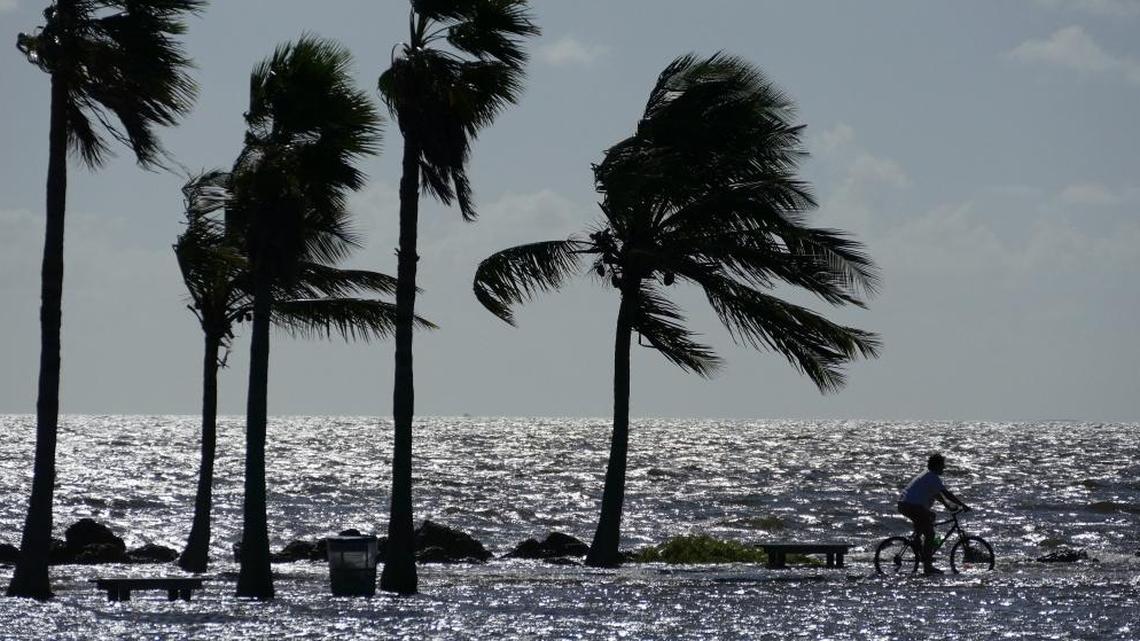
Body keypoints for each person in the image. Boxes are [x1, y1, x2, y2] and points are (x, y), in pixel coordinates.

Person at [897, 453, 970, 574]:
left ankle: (918, 545)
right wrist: (963, 505)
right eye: (942, 466)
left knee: (931, 517)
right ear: (936, 466)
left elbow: (936, 494)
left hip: (906, 504)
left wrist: (948, 505)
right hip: (911, 506)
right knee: (930, 534)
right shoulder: (932, 476)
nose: (944, 468)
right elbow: (946, 494)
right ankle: (927, 566)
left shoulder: (928, 475)